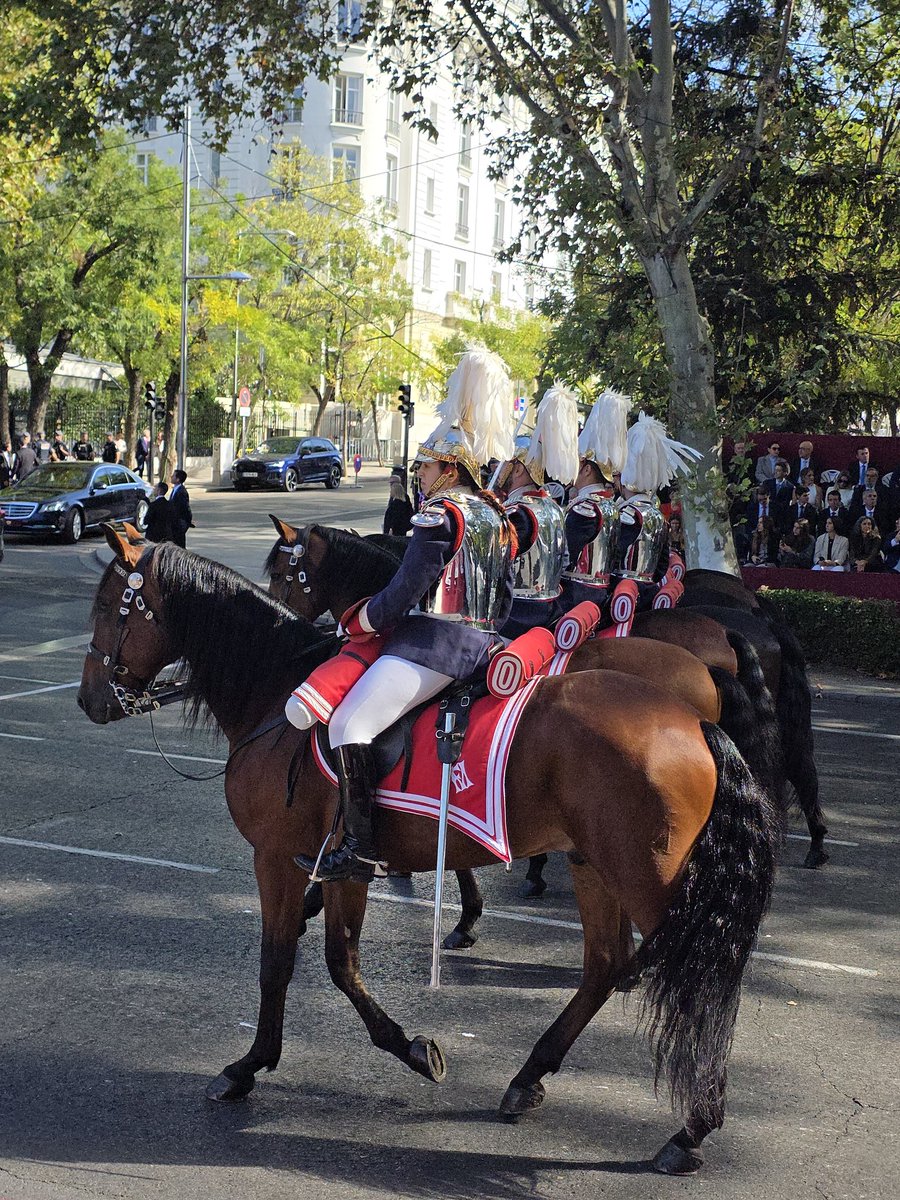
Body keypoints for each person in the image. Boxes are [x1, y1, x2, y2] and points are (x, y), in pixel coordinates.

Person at [284, 345, 517, 883]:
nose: (422, 474)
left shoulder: (441, 513)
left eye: (427, 466)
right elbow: (503, 595)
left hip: (435, 645)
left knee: (348, 723)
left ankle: (361, 848)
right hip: (484, 643)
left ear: (450, 468)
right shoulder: (495, 515)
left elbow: (404, 589)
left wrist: (361, 620)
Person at [493, 381, 578, 637]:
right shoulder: (552, 506)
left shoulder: (518, 512)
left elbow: (490, 566)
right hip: (547, 608)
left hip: (517, 615)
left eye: (505, 463)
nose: (499, 468)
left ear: (518, 468)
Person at [561, 389, 632, 608]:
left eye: (578, 463)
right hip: (593, 592)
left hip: (575, 595)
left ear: (587, 470)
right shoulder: (607, 504)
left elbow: (562, 557)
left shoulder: (586, 509)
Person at [762, 460, 794, 532]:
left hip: (780, 516)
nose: (776, 472)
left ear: (785, 472)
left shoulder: (790, 487)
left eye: (778, 470)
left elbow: (786, 503)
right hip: (768, 512)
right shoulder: (767, 483)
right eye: (775, 470)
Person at [168, 469, 194, 548]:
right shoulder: (175, 489)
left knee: (180, 545)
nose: (171, 477)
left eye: (173, 476)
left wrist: (187, 522)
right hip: (174, 522)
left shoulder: (181, 492)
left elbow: (185, 508)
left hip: (179, 523)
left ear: (178, 479)